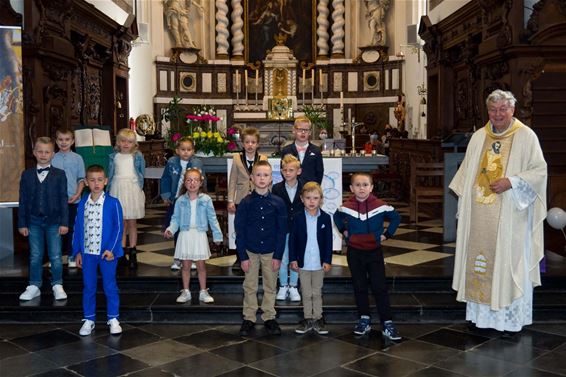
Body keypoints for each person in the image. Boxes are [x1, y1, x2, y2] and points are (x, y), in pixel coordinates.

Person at [449, 89, 547, 333]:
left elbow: (539, 171)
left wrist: (512, 181)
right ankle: (481, 319)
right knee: (479, 264)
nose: (498, 114)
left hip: (511, 216)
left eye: (503, 109)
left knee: (509, 264)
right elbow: (466, 175)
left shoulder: (526, 136)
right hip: (479, 216)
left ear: (513, 110)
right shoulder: (479, 136)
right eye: (493, 110)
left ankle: (508, 322)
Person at [333, 173, 401, 339]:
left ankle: (387, 322)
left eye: (365, 185)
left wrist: (387, 235)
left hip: (374, 251)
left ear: (371, 187)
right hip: (355, 252)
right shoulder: (345, 207)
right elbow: (337, 217)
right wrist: (344, 231)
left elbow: (396, 217)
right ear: (351, 188)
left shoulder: (380, 206)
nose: (361, 188)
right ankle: (364, 319)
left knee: (380, 287)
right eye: (357, 185)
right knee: (359, 286)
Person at [235, 161, 287, 336]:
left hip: (271, 251)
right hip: (250, 250)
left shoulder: (279, 203)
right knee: (249, 285)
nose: (262, 178)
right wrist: (242, 256)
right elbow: (239, 231)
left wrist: (278, 255)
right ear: (251, 178)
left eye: (265, 175)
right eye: (258, 175)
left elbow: (282, 231)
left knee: (270, 285)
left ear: (271, 178)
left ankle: (269, 316)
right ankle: (249, 317)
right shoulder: (245, 203)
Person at [72, 165, 124, 336]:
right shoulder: (83, 204)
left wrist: (111, 249)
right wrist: (77, 251)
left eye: (100, 180)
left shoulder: (113, 202)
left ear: (106, 181)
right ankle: (89, 319)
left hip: (107, 254)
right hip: (88, 254)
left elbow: (118, 228)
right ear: (86, 182)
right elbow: (77, 228)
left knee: (110, 285)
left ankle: (113, 318)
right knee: (89, 287)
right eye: (92, 180)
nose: (96, 183)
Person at [18, 137, 69, 301]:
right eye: (40, 151)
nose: (43, 154)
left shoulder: (60, 175)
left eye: (47, 152)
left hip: (54, 222)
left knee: (55, 254)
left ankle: (57, 284)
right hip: (33, 221)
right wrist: (22, 223)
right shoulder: (26, 175)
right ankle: (34, 285)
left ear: (53, 154)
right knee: (35, 255)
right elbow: (23, 200)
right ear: (34, 153)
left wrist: (64, 222)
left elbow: (63, 199)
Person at [164, 168, 222, 304]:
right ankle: (186, 291)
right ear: (184, 183)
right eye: (189, 180)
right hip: (185, 234)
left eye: (195, 180)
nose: (192, 183)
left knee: (201, 266)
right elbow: (176, 218)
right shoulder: (180, 200)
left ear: (201, 182)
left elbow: (212, 218)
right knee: (186, 266)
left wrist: (217, 235)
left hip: (199, 234)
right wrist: (171, 229)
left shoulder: (206, 199)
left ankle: (203, 291)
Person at [289, 182, 333, 335]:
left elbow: (329, 241)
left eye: (315, 198)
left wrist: (327, 260)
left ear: (321, 199)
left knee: (317, 292)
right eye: (308, 198)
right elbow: (292, 240)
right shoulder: (298, 218)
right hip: (304, 263)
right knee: (306, 292)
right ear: (302, 199)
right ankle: (308, 318)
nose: (312, 201)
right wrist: (293, 259)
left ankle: (318, 318)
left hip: (319, 263)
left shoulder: (326, 218)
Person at [160, 137, 204, 271]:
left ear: (193, 151)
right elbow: (166, 178)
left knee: (192, 229)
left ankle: (194, 258)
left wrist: (201, 196)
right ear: (177, 151)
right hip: (177, 200)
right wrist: (166, 195)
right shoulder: (172, 162)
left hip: (192, 200)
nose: (186, 152)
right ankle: (178, 258)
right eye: (183, 150)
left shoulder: (197, 162)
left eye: (189, 150)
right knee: (178, 229)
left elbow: (202, 179)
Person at [227, 127, 268, 268]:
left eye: (253, 142)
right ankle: (240, 257)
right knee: (241, 229)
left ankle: (258, 259)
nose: (250, 145)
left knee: (257, 228)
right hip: (241, 199)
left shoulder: (263, 158)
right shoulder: (237, 158)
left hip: (258, 198)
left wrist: (268, 196)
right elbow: (232, 180)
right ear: (243, 143)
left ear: (258, 144)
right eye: (247, 142)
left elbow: (267, 179)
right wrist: (231, 200)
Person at [107, 128, 145, 269]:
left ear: (134, 143)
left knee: (132, 223)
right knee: (120, 223)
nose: (126, 144)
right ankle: (121, 252)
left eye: (129, 142)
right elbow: (110, 173)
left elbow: (141, 172)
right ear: (118, 142)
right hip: (117, 189)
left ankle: (133, 250)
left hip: (132, 189)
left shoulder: (137, 156)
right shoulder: (113, 156)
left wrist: (139, 187)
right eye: (123, 141)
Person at [52, 128, 86, 268]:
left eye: (67, 140)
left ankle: (72, 255)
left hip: (73, 199)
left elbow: (81, 179)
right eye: (60, 139)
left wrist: (77, 194)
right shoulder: (52, 157)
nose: (63, 142)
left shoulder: (78, 158)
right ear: (56, 141)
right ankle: (56, 257)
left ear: (72, 141)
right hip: (55, 201)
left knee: (72, 228)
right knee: (55, 229)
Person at [272, 154, 303, 302]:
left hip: (298, 228)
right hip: (282, 228)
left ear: (298, 171)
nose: (288, 173)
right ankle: (283, 285)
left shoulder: (304, 187)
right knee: (283, 258)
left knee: (295, 257)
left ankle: (294, 285)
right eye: (285, 170)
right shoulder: (276, 188)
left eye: (291, 170)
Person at [280, 116, 324, 184]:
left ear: (310, 132)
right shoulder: (286, 150)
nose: (303, 132)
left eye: (306, 130)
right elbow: (283, 170)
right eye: (300, 129)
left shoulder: (316, 151)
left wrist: (315, 186)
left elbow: (319, 172)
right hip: (292, 187)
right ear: (294, 130)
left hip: (310, 188)